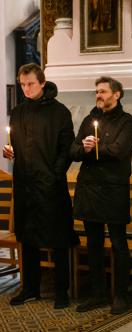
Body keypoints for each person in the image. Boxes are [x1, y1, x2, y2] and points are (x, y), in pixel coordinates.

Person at [2, 63, 77, 309]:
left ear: (42, 83)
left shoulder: (60, 112)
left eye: (30, 84)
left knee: (58, 239)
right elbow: (17, 145)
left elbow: (66, 150)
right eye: (23, 84)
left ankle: (61, 291)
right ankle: (31, 288)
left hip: (51, 187)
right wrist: (10, 152)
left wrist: (54, 176)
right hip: (24, 185)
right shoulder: (18, 112)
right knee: (28, 238)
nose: (26, 88)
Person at [70, 76, 132, 315]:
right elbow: (73, 150)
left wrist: (92, 150)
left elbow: (118, 151)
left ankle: (120, 294)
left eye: (103, 91)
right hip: (89, 188)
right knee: (94, 243)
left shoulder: (127, 122)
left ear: (116, 94)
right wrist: (84, 148)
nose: (98, 95)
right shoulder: (90, 119)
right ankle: (97, 293)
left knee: (118, 243)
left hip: (113, 189)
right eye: (96, 91)